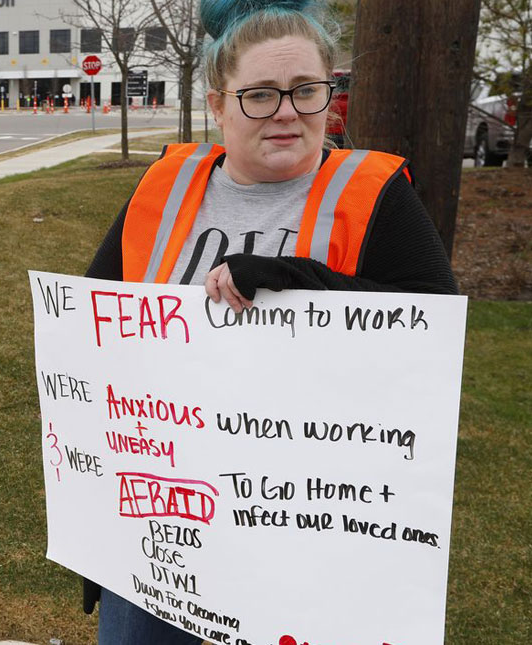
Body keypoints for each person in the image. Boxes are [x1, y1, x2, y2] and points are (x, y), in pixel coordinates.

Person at [83, 0, 456, 642]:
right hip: (160, 540)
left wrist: (295, 278)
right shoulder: (164, 186)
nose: (286, 112)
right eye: (259, 95)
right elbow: (91, 319)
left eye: (306, 91)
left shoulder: (374, 196)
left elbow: (429, 333)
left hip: (304, 547)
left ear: (329, 95)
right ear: (217, 103)